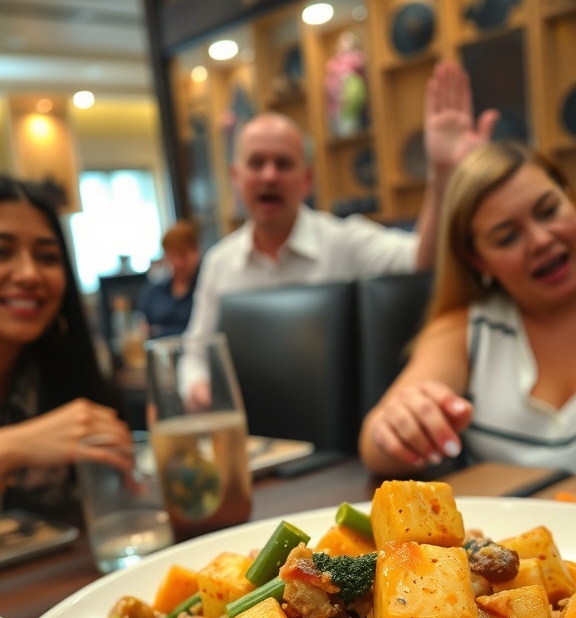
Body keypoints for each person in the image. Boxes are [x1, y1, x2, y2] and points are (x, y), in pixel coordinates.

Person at [180, 60, 498, 403]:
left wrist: (443, 176)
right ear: (236, 178)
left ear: (307, 180)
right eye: (256, 163)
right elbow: (195, 353)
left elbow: (422, 260)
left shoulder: (344, 240)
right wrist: (198, 389)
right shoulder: (218, 262)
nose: (269, 176)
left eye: (283, 163)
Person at [359, 140, 576, 477]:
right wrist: (399, 425)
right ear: (477, 259)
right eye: (507, 237)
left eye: (548, 211)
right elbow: (375, 446)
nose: (541, 240)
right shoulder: (466, 329)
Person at [0, 175, 132, 512]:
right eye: (2, 252)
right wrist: (15, 446)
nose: (29, 274)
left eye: (46, 257)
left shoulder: (57, 373)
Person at [138, 220, 200, 338]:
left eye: (183, 255)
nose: (178, 263)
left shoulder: (205, 287)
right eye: (172, 255)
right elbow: (142, 327)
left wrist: (160, 331)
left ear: (196, 251)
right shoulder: (154, 290)